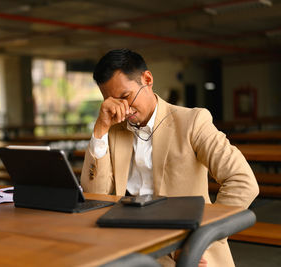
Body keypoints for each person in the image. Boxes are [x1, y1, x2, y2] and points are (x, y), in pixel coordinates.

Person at [80, 49, 259, 267]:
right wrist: (100, 129)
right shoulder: (113, 130)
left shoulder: (192, 121)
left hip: (189, 249)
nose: (122, 109)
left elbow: (243, 180)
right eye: (111, 100)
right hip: (130, 247)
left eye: (125, 97)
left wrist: (201, 238)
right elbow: (95, 197)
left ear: (147, 79)